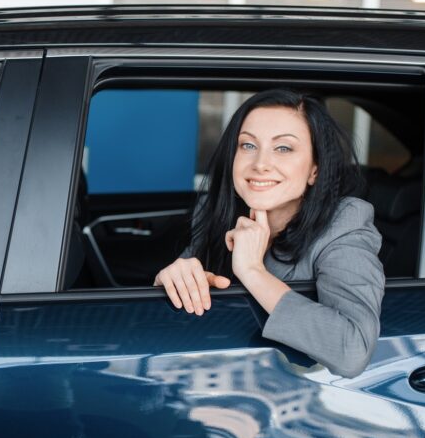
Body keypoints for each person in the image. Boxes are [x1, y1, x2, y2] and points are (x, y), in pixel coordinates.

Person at [153, 89, 384, 377]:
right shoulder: (219, 212)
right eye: (248, 145)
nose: (260, 163)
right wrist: (170, 280)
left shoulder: (344, 224)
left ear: (315, 170)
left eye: (283, 148)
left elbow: (352, 351)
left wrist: (252, 271)